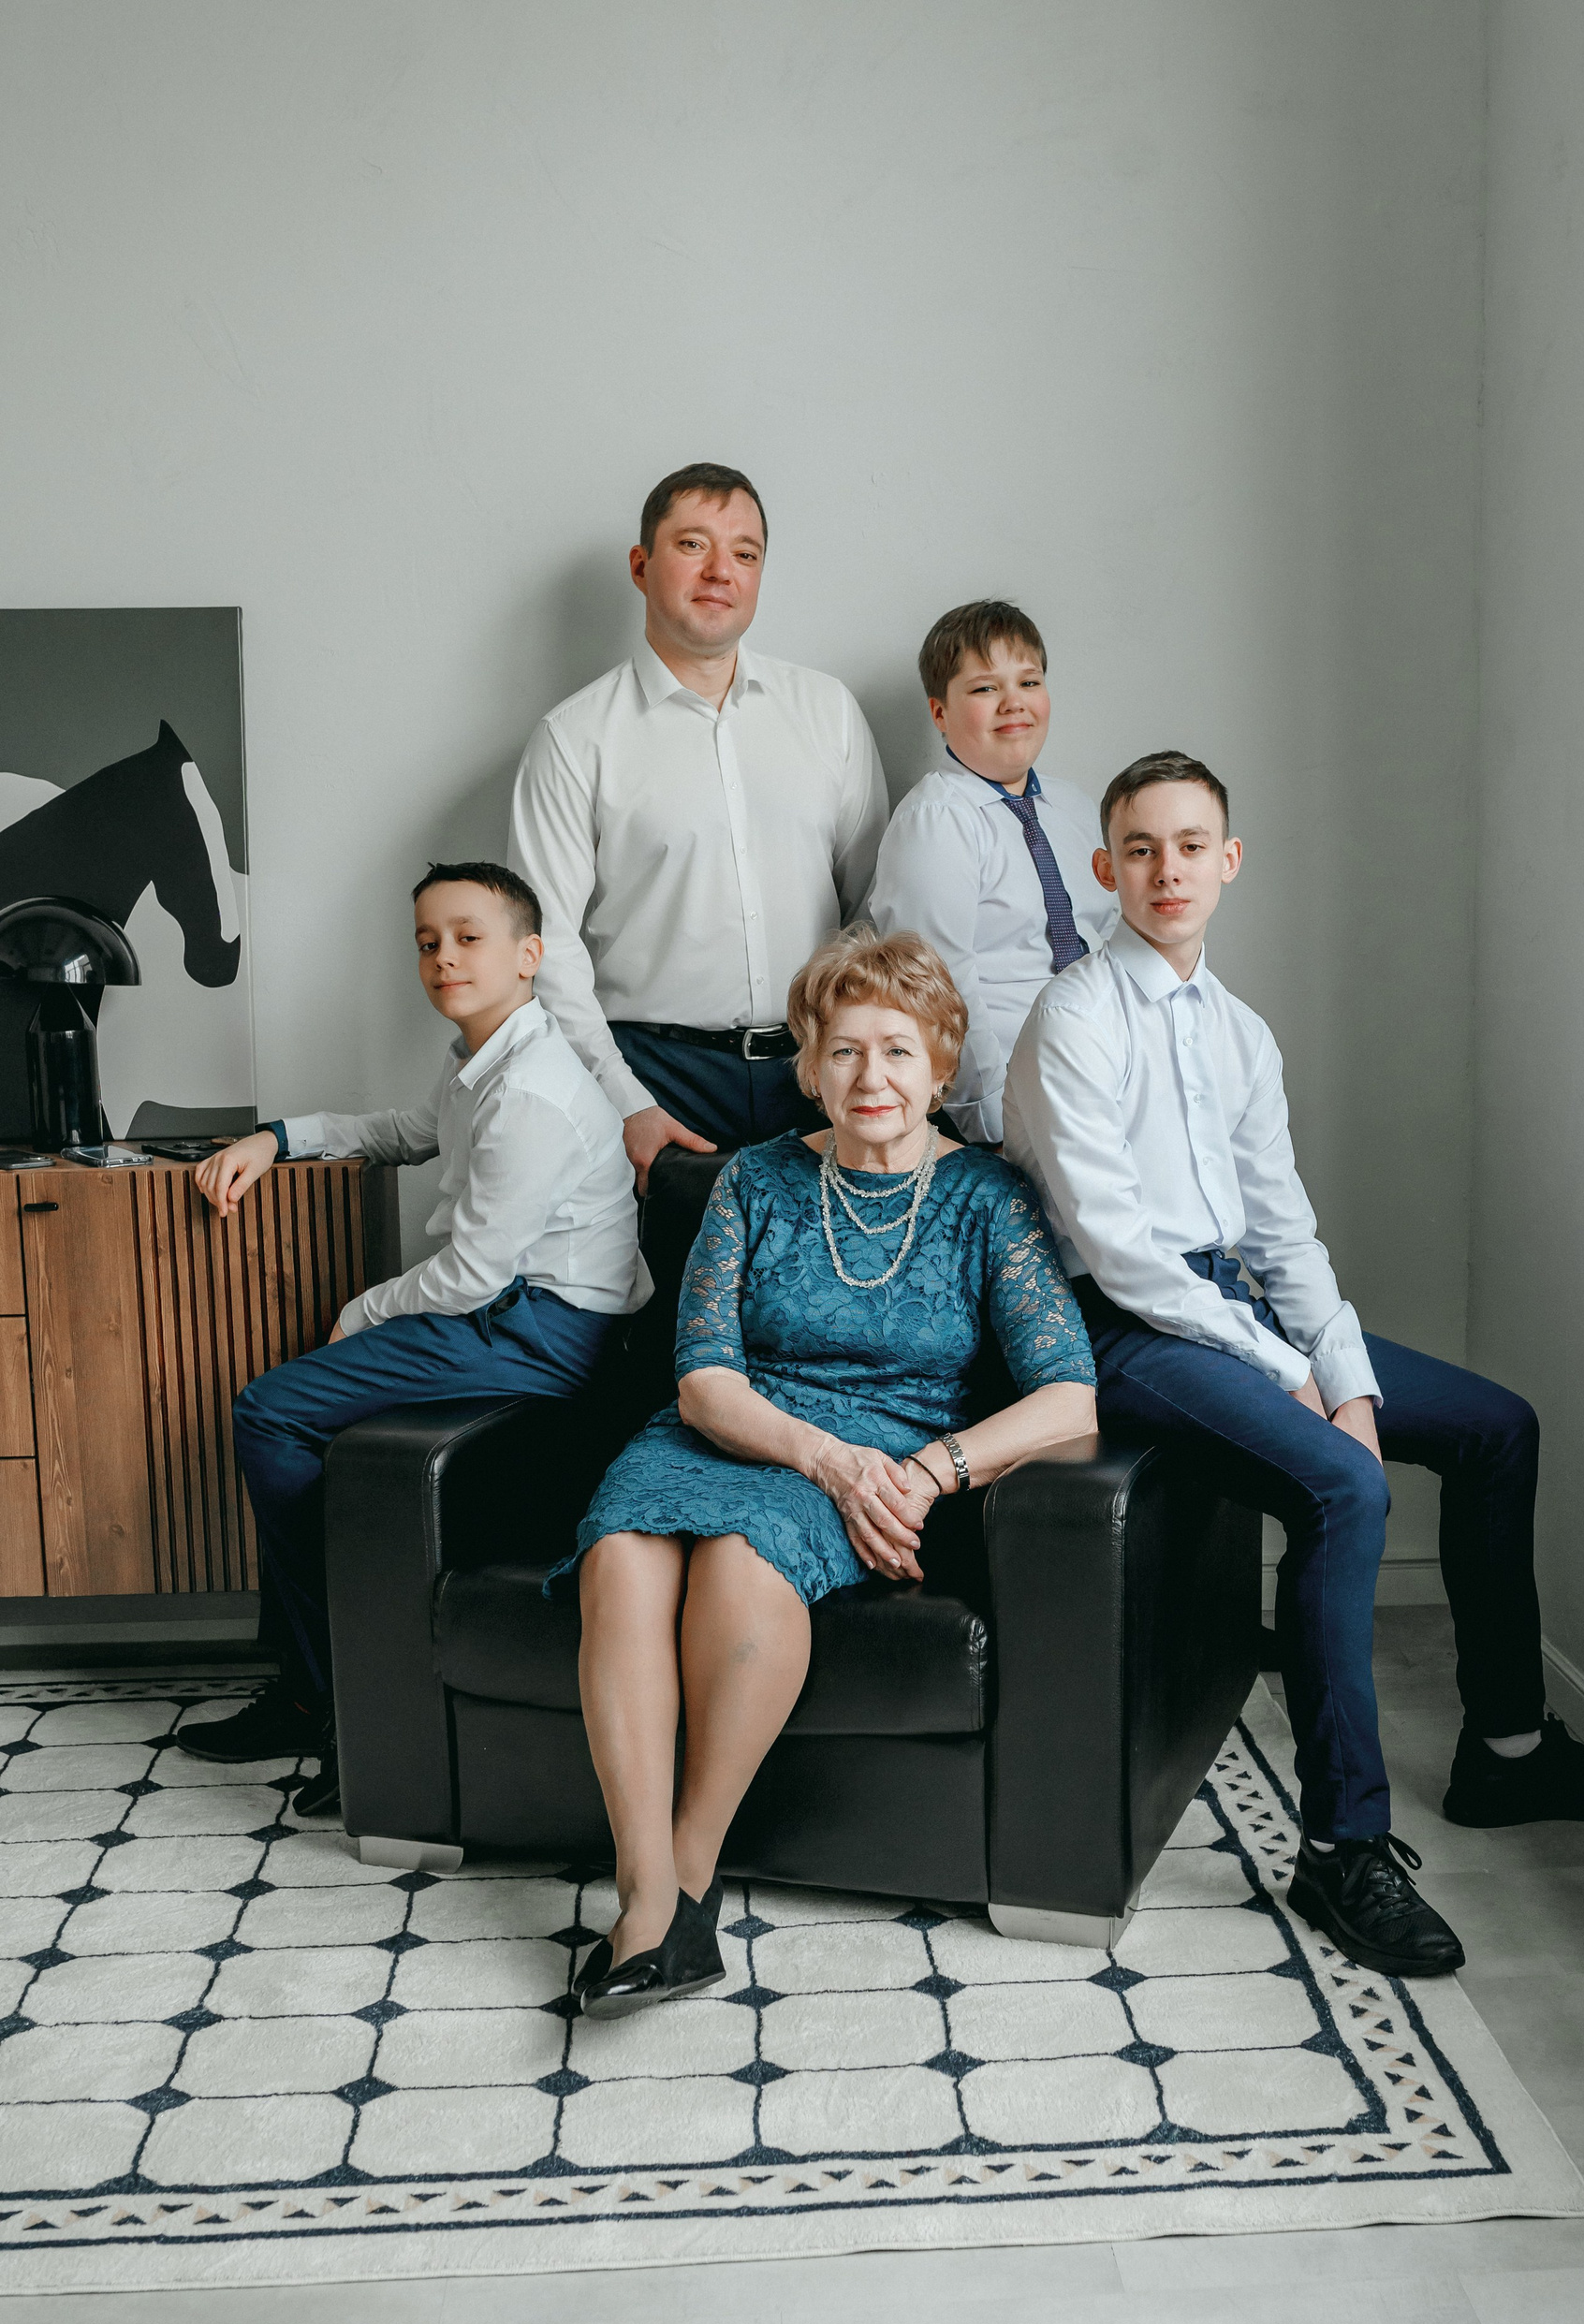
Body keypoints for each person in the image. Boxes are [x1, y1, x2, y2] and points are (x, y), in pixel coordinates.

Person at [1004, 751, 1584, 1980]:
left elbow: (1283, 1233)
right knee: (1344, 1483)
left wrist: (1344, 1373)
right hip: (1124, 1326)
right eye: (1140, 849)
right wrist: (1286, 1374)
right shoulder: (1073, 1019)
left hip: (1236, 1298)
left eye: (1190, 846)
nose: (1166, 870)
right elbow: (1120, 1252)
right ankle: (1340, 1848)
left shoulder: (1241, 1032)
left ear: (1229, 861)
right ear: (1106, 868)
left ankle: (1509, 1752)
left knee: (1497, 1428)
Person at [560, 926, 1096, 2013]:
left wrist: (931, 1469)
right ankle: (645, 1893)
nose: (871, 1076)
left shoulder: (987, 1198)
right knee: (618, 1556)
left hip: (889, 1448)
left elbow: (1069, 1399)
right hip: (736, 1433)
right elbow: (704, 1379)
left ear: (940, 1067)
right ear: (809, 1067)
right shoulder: (750, 1182)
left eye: (898, 1050)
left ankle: (689, 1875)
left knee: (740, 1563)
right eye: (844, 1050)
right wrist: (824, 1458)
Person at [178, 861, 649, 1814]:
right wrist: (278, 1136)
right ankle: (322, 1686)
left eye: (469, 938)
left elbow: (471, 1273)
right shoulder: (484, 1059)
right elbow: (408, 1130)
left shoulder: (532, 1089)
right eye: (428, 942)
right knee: (288, 1421)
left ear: (529, 955)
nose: (444, 959)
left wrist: (361, 1312)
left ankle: (331, 1692)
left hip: (543, 1330)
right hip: (505, 1311)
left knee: (269, 1412)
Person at [506, 462, 889, 1181]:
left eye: (745, 553)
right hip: (656, 1079)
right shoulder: (574, 738)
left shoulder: (828, 713)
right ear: (640, 565)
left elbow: (872, 905)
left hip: (817, 1073)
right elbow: (544, 943)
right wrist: (625, 1101)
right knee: (670, 1260)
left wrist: (857, 1062)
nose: (721, 571)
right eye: (693, 545)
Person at [869, 599, 1115, 1143]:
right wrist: (990, 1120)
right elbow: (938, 987)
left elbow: (1111, 940)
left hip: (1107, 1075)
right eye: (985, 688)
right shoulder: (937, 820)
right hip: (1014, 1099)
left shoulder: (1076, 809)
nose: (1014, 703)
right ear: (940, 713)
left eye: (1029, 682)